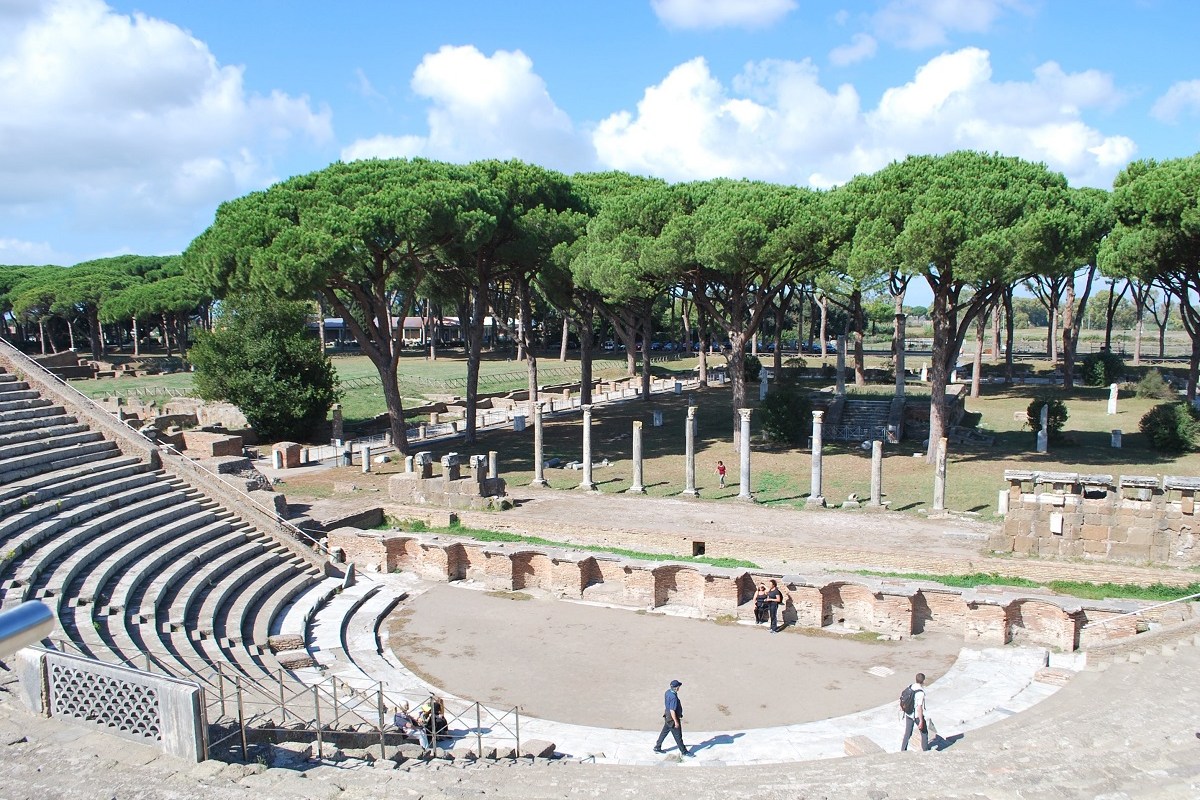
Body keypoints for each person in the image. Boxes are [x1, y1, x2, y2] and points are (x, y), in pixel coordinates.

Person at [653, 679, 692, 756]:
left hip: (667, 716)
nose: (679, 687)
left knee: (664, 733)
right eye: (678, 686)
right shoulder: (673, 697)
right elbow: (672, 710)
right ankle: (684, 752)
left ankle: (657, 747)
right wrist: (676, 722)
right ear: (676, 688)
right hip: (672, 718)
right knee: (678, 736)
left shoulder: (667, 692)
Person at [900, 673, 930, 752]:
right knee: (924, 732)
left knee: (907, 733)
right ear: (923, 681)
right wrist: (921, 721)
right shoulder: (920, 692)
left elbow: (904, 697)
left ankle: (903, 750)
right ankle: (925, 750)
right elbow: (919, 708)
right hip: (916, 715)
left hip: (908, 713)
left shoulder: (910, 686)